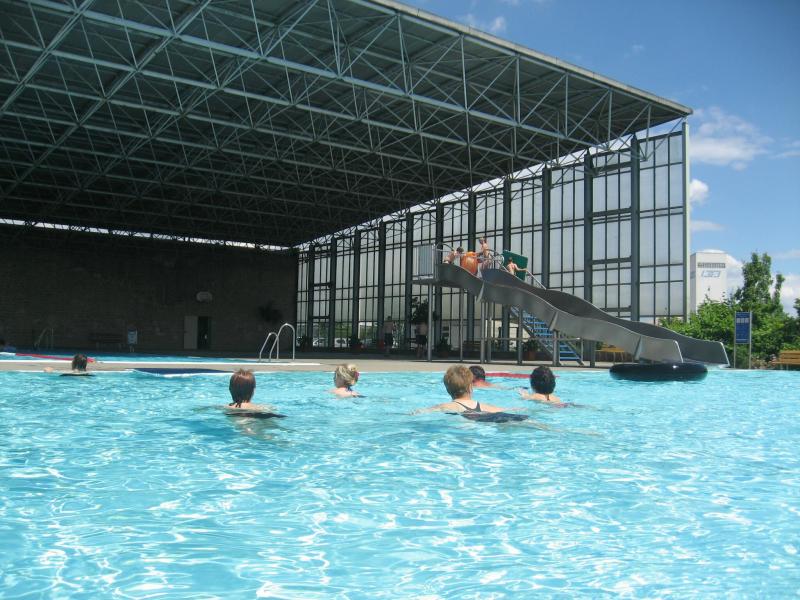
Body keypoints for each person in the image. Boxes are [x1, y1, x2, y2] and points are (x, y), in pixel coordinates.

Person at [420, 366, 526, 422]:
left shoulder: (445, 407)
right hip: (486, 418)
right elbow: (508, 410)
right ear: (471, 387)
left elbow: (419, 412)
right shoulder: (486, 407)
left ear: (448, 390)